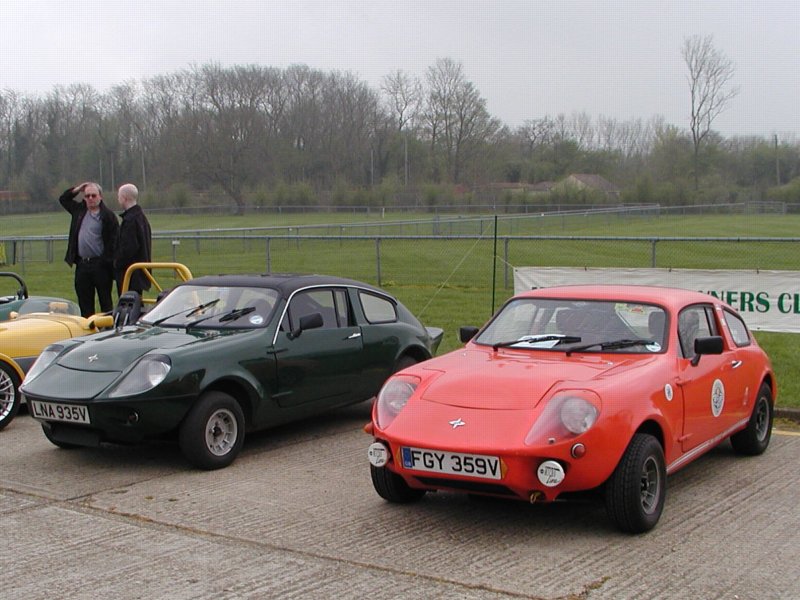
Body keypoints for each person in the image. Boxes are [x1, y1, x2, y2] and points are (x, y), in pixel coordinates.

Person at [59, 181, 119, 317]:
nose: (90, 199)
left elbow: (113, 243)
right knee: (85, 302)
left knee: (105, 302)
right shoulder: (79, 211)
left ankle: (107, 330)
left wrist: (105, 261)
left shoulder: (108, 216)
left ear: (100, 197)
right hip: (82, 265)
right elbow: (63, 199)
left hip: (101, 265)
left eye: (93, 195)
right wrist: (78, 188)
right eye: (87, 196)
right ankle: (88, 331)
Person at [114, 183, 152, 296]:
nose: (118, 199)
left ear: (124, 198)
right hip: (139, 273)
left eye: (119, 196)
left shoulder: (130, 221)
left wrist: (116, 263)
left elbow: (129, 248)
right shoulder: (141, 217)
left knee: (129, 305)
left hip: (130, 274)